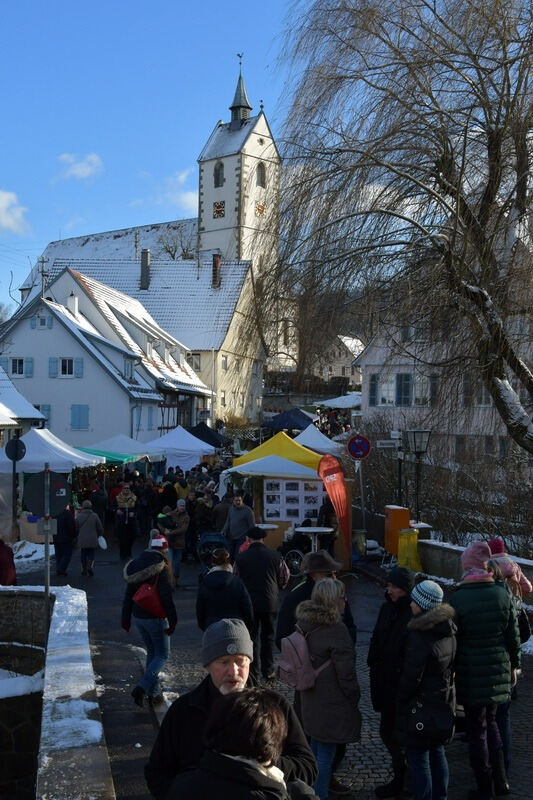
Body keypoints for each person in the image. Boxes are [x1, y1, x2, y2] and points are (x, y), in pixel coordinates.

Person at [145, 618, 317, 799]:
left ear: (250, 662)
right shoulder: (183, 711)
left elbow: (307, 765)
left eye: (240, 661)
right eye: (224, 662)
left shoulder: (276, 706)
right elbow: (157, 773)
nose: (233, 671)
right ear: (207, 665)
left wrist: (262, 765)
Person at [276, 550, 356, 797]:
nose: (334, 575)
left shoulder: (316, 597)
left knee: (318, 738)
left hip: (309, 683)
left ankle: (317, 783)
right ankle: (317, 786)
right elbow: (282, 636)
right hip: (318, 685)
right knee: (320, 740)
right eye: (329, 572)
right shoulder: (302, 597)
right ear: (314, 574)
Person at [450, 540, 521, 799]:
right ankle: (501, 781)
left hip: (470, 672)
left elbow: (453, 640)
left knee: (477, 728)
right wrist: (515, 667)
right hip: (499, 670)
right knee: (492, 722)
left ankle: (484, 786)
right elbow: (513, 637)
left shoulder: (458, 599)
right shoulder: (503, 595)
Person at [167, 688, 319, 800]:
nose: (233, 669)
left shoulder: (183, 785)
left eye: (240, 661)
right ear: (269, 742)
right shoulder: (272, 794)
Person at [295, 578, 361, 800]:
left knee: (315, 747)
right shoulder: (337, 630)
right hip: (331, 702)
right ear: (334, 601)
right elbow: (347, 674)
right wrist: (354, 696)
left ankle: (307, 792)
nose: (345, 600)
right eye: (342, 596)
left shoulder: (305, 622)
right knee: (326, 754)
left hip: (310, 698)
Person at [396, 580, 457, 800]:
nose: (410, 603)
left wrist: (401, 700)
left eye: (415, 600)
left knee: (419, 758)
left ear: (423, 605)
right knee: (437, 752)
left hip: (421, 708)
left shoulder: (421, 635)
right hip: (442, 703)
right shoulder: (448, 629)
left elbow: (412, 677)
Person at [367, 565, 414, 799]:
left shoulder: (412, 614)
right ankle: (401, 777)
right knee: (387, 732)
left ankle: (405, 780)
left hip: (401, 686)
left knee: (400, 735)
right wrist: (373, 661)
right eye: (389, 585)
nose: (389, 589)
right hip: (385, 683)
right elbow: (377, 637)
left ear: (405, 590)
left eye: (394, 586)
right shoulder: (387, 609)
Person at [122, 532, 177, 707]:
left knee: (152, 653)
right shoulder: (161, 567)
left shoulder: (136, 565)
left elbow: (128, 594)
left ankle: (154, 694)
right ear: (164, 550)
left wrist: (125, 618)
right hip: (156, 617)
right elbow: (166, 596)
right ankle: (142, 688)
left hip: (138, 616)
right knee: (162, 654)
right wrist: (173, 620)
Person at [234, 526, 290, 682]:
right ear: (263, 539)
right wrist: (278, 587)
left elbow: (236, 579)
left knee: (251, 638)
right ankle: (269, 670)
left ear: (249, 540)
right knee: (268, 637)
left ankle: (253, 673)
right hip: (269, 602)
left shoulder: (241, 558)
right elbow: (284, 577)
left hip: (248, 603)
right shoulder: (276, 555)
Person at [196, 547, 254, 632]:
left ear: (212, 562)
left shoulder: (204, 583)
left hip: (212, 627)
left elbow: (200, 609)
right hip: (236, 628)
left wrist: (205, 627)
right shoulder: (238, 582)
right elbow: (247, 608)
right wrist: (247, 627)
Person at [221, 491, 256, 561]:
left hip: (242, 538)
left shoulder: (248, 510)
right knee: (229, 556)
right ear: (233, 501)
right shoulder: (231, 509)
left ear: (242, 500)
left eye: (239, 500)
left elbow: (252, 525)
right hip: (231, 537)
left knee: (238, 556)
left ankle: (238, 571)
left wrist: (251, 538)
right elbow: (228, 521)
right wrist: (223, 530)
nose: (238, 502)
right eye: (236, 500)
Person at [76, 499, 103, 576]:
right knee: (91, 553)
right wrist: (100, 534)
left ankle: (84, 569)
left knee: (83, 553)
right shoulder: (95, 515)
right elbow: (100, 527)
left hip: (82, 539)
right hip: (92, 538)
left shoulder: (79, 516)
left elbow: (76, 527)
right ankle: (89, 567)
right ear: (91, 506)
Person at [115, 483, 137, 560]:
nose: (126, 489)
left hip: (131, 521)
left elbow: (137, 508)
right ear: (122, 489)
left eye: (128, 488)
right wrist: (117, 510)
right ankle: (123, 554)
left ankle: (128, 551)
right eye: (125, 488)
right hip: (121, 521)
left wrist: (133, 512)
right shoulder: (118, 498)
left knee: (131, 537)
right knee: (122, 538)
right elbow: (112, 507)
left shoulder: (134, 497)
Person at [53, 505, 77, 576]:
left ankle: (59, 569)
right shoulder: (67, 514)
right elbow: (71, 526)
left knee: (58, 554)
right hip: (66, 538)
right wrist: (73, 535)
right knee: (67, 554)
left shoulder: (55, 513)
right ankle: (61, 569)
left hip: (56, 537)